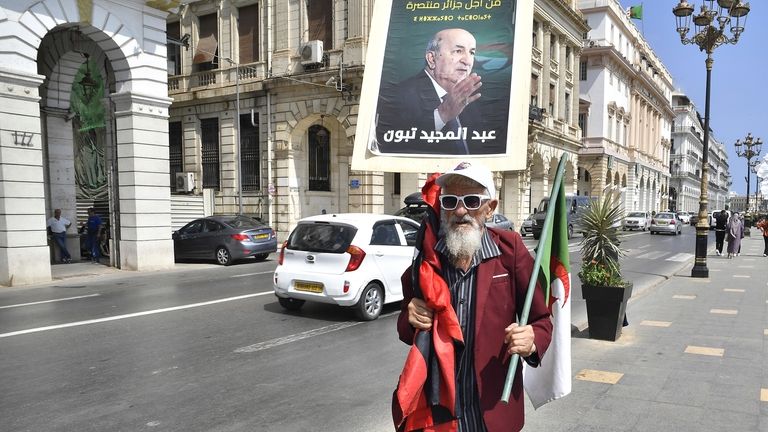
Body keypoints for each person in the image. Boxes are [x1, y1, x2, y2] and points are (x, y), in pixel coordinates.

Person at [394, 162, 552, 432]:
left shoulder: (510, 252)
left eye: (471, 200)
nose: (460, 210)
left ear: (490, 208)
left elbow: (542, 319)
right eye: (450, 201)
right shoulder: (427, 261)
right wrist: (411, 317)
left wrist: (532, 340)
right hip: (440, 411)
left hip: (491, 409)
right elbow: (407, 328)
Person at [375, 28, 504, 155]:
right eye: (458, 51)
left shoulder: (474, 101)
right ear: (432, 59)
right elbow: (390, 145)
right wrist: (442, 114)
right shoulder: (397, 96)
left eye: (471, 52)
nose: (467, 61)